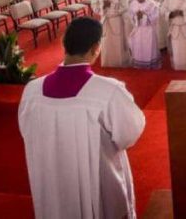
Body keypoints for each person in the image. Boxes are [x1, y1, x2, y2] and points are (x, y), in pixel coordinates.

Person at [18, 17, 145, 219]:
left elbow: (27, 131)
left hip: (51, 179)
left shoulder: (32, 91)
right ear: (95, 47)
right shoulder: (108, 90)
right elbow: (129, 134)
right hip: (98, 181)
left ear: (64, 45)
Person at [91, 0, 131, 68]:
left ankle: (120, 62)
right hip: (105, 20)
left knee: (118, 41)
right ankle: (108, 62)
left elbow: (125, 7)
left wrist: (112, 6)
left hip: (116, 20)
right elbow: (95, 8)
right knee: (106, 41)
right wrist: (103, 7)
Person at [127, 0, 161, 69]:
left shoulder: (152, 4)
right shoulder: (133, 3)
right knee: (138, 45)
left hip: (149, 29)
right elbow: (130, 16)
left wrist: (144, 16)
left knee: (149, 46)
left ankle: (150, 63)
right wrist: (136, 17)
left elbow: (155, 17)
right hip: (138, 29)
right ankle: (139, 62)